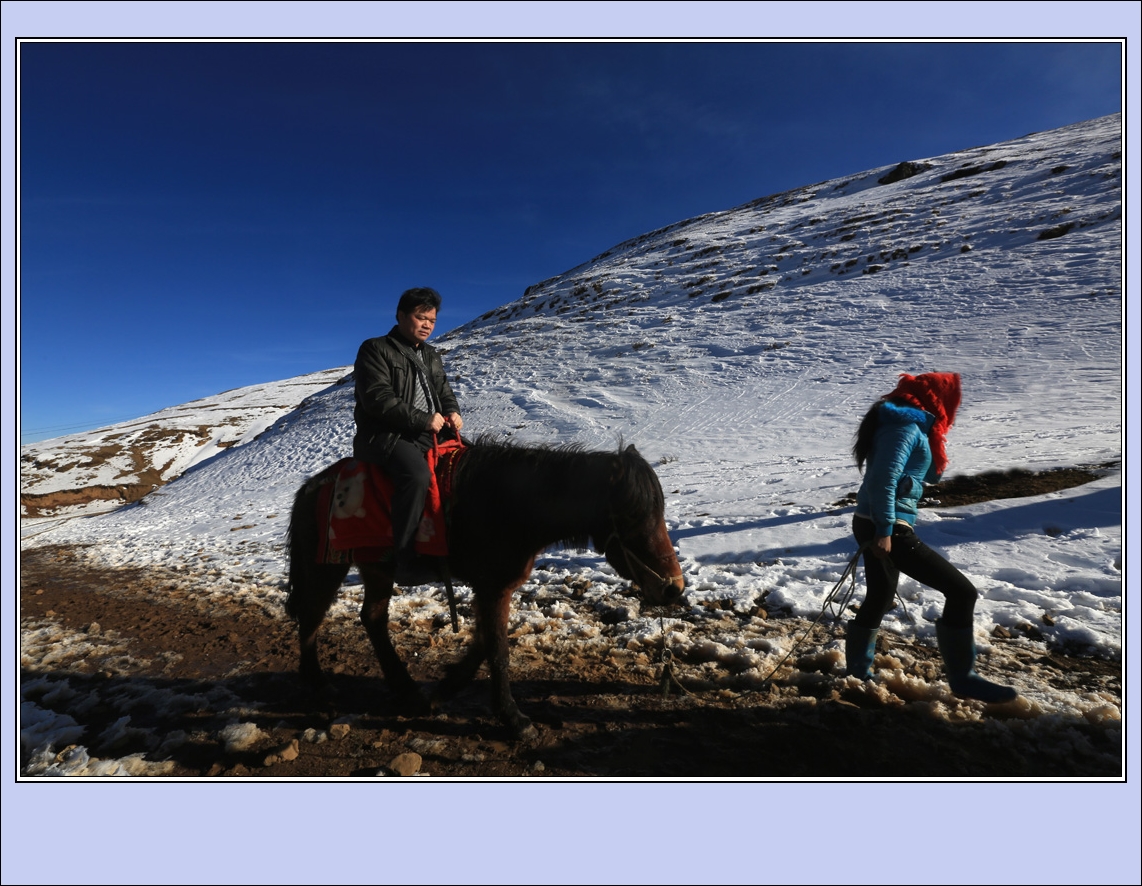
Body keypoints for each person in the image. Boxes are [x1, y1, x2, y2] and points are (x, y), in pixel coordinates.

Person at [846, 372, 1017, 703]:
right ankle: (963, 678)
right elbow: (882, 479)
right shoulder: (904, 427)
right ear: (937, 400)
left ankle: (857, 673)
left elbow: (910, 475)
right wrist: (884, 530)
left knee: (880, 597)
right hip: (888, 525)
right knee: (962, 592)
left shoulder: (908, 424)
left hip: (879, 521)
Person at [353, 287, 464, 572]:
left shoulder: (431, 355)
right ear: (401, 316)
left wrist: (453, 411)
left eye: (432, 320)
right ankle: (405, 558)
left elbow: (443, 390)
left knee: (474, 465)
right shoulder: (375, 349)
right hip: (385, 435)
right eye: (420, 317)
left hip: (427, 434)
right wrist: (422, 419)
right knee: (416, 476)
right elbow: (377, 398)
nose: (427, 324)